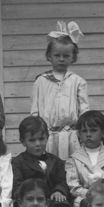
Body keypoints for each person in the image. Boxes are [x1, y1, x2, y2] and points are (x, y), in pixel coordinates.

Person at [30, 21, 89, 159]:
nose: (61, 59)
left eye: (66, 56)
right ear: (49, 56)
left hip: (72, 136)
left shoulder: (77, 81)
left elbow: (84, 109)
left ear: (73, 57)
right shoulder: (41, 81)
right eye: (57, 55)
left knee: (72, 167)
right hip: (48, 136)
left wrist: (83, 132)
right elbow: (35, 110)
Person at [11, 115, 74, 207]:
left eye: (41, 139)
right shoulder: (18, 162)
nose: (37, 144)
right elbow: (17, 186)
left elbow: (61, 181)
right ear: (23, 141)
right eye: (32, 140)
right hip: (30, 201)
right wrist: (29, 195)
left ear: (47, 137)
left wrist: (58, 191)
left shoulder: (56, 161)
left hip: (51, 201)